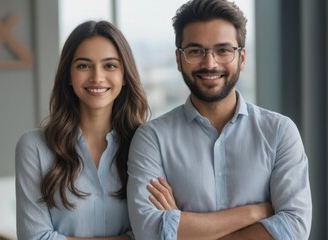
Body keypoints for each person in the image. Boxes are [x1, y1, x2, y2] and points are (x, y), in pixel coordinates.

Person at [126, 0, 312, 239]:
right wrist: (255, 212)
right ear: (178, 59)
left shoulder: (279, 132)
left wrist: (180, 226)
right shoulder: (152, 139)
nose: (210, 63)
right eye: (195, 51)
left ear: (242, 58)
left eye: (223, 50)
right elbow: (150, 232)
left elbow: (294, 229)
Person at [15, 20, 150, 239]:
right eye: (83, 65)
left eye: (110, 65)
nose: (97, 77)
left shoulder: (148, 144)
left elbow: (156, 232)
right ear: (68, 75)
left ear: (124, 76)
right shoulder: (34, 148)